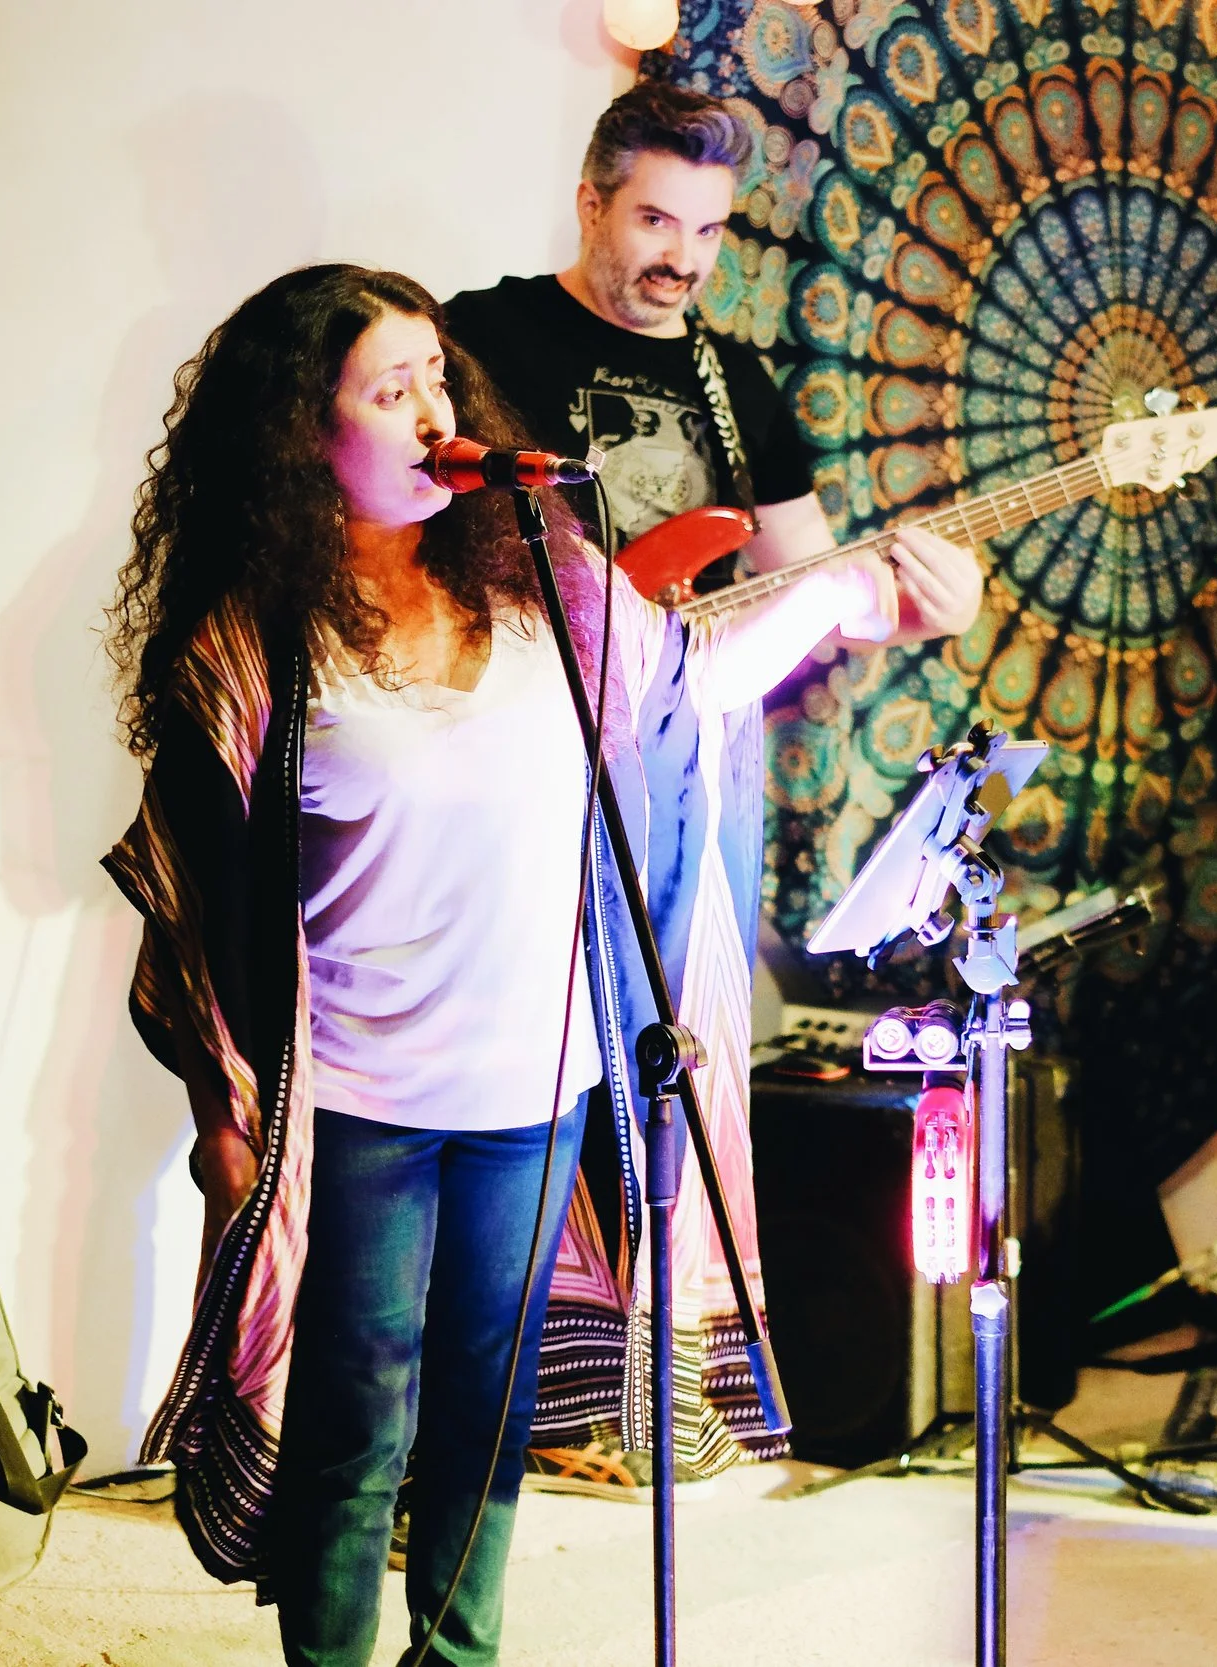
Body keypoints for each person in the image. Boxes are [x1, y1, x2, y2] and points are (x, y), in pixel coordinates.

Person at [101, 264, 896, 1664]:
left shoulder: (547, 572)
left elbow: (680, 688)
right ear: (304, 430)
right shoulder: (246, 647)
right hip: (358, 1096)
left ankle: (460, 1651)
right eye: (387, 387)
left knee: (490, 1401)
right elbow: (203, 910)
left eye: (435, 378)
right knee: (357, 1414)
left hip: (538, 1076)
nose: (431, 411)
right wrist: (226, 1112)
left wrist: (845, 595)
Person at [442, 82, 984, 1486]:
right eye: (654, 219)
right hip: (529, 754)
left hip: (694, 771)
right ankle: (520, 1399)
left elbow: (814, 587)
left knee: (671, 1072)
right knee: (528, 1069)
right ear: (591, 198)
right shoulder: (482, 336)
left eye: (710, 229)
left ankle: (642, 1389)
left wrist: (922, 596)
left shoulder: (740, 389)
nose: (682, 256)